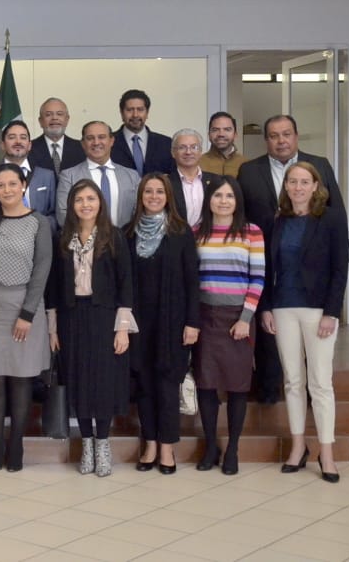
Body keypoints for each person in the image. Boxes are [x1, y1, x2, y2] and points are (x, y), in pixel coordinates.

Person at [237, 114, 344, 404]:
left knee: (315, 354)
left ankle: (311, 400)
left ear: (296, 136)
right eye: (274, 135)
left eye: (286, 134)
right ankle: (268, 393)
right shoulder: (249, 171)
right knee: (271, 339)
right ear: (266, 140)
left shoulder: (320, 164)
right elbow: (242, 217)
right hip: (269, 264)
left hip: (314, 275)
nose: (281, 140)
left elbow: (337, 215)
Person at [260, 162, 349, 483]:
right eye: (292, 182)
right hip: (283, 308)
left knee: (320, 383)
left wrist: (331, 312)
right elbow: (267, 268)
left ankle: (327, 452)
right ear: (286, 186)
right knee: (293, 382)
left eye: (304, 182)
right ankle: (298, 447)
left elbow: (340, 268)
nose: (298, 187)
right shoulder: (278, 220)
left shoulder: (331, 218)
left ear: (315, 186)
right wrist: (266, 308)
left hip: (317, 310)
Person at [0, 163, 53, 473]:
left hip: (23, 306)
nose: (7, 190)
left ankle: (16, 443)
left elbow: (42, 270)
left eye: (12, 184)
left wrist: (27, 313)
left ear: (24, 185)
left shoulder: (38, 222)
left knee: (20, 377)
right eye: (0, 185)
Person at [49, 179, 134, 478]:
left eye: (91, 199)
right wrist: (53, 329)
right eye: (79, 200)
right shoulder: (63, 238)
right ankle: (86, 443)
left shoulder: (114, 236)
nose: (85, 204)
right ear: (71, 205)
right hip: (72, 317)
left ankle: (103, 444)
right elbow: (54, 287)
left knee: (103, 381)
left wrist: (122, 329)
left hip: (104, 316)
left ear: (100, 203)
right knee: (78, 380)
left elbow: (126, 283)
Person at [125, 173, 200, 475]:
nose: (154, 197)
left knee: (168, 385)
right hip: (139, 322)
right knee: (144, 384)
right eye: (148, 191)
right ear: (140, 196)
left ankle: (168, 447)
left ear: (168, 196)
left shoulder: (181, 232)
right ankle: (151, 444)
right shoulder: (128, 233)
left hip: (173, 321)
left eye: (159, 192)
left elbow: (192, 281)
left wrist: (192, 322)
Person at [193, 177, 264, 475]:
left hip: (238, 319)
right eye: (218, 195)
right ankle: (211, 446)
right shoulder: (196, 232)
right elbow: (190, 278)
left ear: (237, 201)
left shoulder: (251, 232)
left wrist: (245, 319)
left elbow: (257, 278)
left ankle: (232, 448)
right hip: (205, 317)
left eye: (229, 196)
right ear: (208, 199)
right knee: (206, 384)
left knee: (237, 386)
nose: (223, 201)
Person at [56, 121, 140, 228]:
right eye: (90, 138)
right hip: (84, 237)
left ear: (111, 141)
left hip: (124, 237)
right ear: (83, 144)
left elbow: (139, 212)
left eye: (101, 137)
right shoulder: (69, 176)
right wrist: (89, 235)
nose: (96, 142)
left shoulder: (132, 176)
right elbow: (63, 214)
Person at [0, 120, 57, 229]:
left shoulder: (47, 176)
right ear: (2, 145)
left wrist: (38, 229)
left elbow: (54, 215)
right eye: (12, 137)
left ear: (29, 145)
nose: (18, 141)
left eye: (23, 137)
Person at [110, 89, 174, 175]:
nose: (135, 115)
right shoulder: (109, 143)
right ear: (121, 113)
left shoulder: (166, 144)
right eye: (129, 110)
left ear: (147, 113)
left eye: (140, 109)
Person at [166, 129, 219, 228]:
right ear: (173, 153)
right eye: (182, 147)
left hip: (209, 236)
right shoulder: (165, 183)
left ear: (200, 151)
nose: (188, 152)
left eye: (194, 147)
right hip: (177, 236)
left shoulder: (215, 181)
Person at [29, 97, 84, 175]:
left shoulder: (81, 148)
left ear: (67, 120)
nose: (54, 118)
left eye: (59, 114)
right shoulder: (29, 148)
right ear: (40, 121)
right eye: (48, 114)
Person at [199, 112, 246, 178]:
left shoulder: (246, 164)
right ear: (209, 135)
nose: (221, 134)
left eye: (227, 129)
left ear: (235, 135)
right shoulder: (197, 164)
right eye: (215, 130)